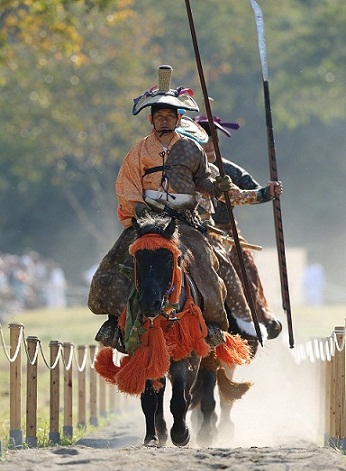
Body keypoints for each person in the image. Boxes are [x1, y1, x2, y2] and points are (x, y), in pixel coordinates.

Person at [88, 65, 282, 347]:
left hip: (184, 221)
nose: (164, 121)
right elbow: (127, 184)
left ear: (178, 119)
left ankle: (216, 325)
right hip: (145, 219)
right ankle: (113, 324)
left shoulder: (192, 149)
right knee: (113, 264)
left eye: (170, 116)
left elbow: (204, 180)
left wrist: (217, 188)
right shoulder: (138, 151)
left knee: (213, 265)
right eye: (159, 116)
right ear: (151, 120)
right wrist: (140, 212)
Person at [194, 107, 283, 339]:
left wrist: (267, 192)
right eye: (203, 140)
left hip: (225, 232)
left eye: (213, 140)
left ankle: (256, 313)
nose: (209, 145)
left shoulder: (228, 170)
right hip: (190, 230)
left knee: (242, 260)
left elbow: (247, 193)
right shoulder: (183, 169)